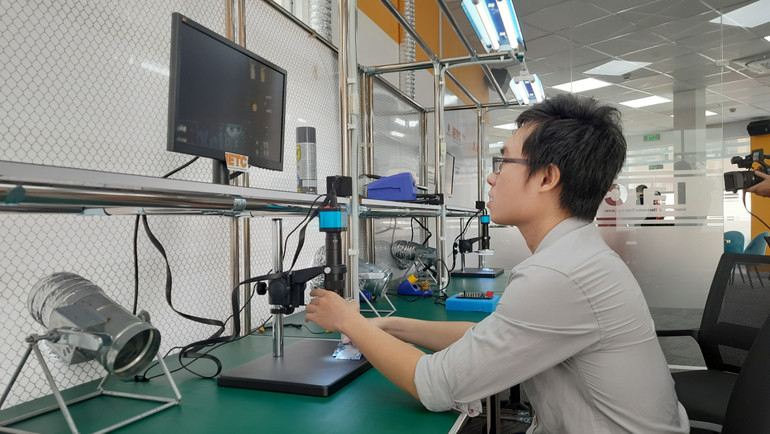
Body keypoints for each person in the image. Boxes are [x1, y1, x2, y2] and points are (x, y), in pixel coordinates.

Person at [305, 94, 689, 433]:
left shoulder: (560, 275)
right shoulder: (577, 256)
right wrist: (390, 326)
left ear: (546, 178)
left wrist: (348, 320)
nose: (491, 176)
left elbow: (433, 385)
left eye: (503, 161)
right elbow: (485, 337)